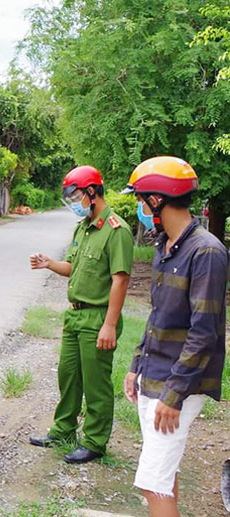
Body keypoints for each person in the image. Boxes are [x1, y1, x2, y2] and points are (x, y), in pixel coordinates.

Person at [121, 156, 227, 515]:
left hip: (181, 382)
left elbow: (205, 332)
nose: (138, 205)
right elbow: (157, 314)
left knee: (152, 483)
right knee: (164, 475)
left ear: (156, 199)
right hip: (156, 372)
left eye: (139, 198)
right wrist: (137, 363)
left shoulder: (207, 251)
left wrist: (174, 395)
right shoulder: (164, 245)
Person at [29, 165, 133, 464]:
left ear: (91, 192)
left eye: (75, 195)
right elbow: (73, 267)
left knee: (95, 383)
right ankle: (64, 430)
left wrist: (110, 325)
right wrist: (49, 263)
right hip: (74, 316)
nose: (73, 201)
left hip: (98, 319)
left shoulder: (116, 230)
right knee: (69, 376)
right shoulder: (83, 227)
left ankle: (95, 441)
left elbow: (120, 279)